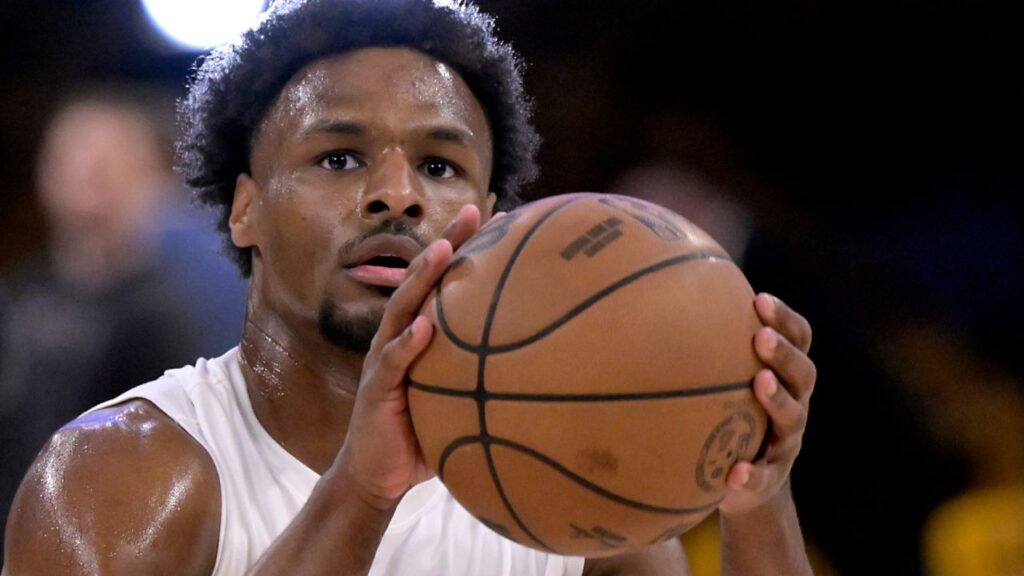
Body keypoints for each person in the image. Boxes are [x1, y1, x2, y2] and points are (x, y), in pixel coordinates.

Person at [2, 1, 817, 574]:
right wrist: (361, 492)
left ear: (492, 218)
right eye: (340, 158)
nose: (399, 194)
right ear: (245, 207)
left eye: (439, 165)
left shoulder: (565, 486)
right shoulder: (117, 476)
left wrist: (758, 502)